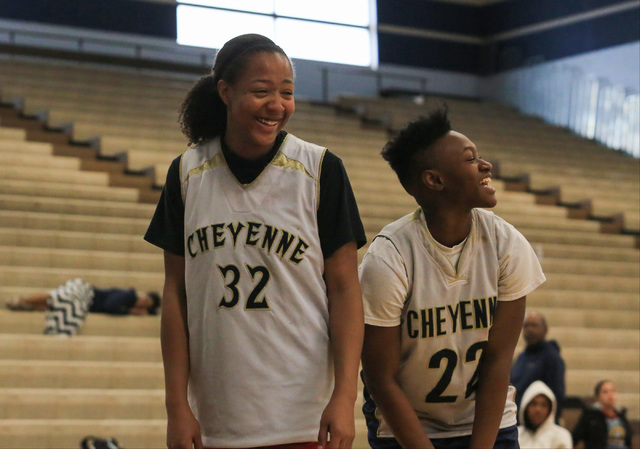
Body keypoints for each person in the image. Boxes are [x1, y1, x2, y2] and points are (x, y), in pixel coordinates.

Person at [144, 33, 366, 449]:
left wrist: (345, 396)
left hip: (303, 415)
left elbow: (345, 288)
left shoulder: (321, 169)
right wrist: (177, 406)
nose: (277, 105)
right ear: (225, 92)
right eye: (261, 91)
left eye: (287, 93)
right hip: (214, 418)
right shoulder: (187, 172)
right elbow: (175, 293)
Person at [359, 107, 546, 449]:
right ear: (435, 180)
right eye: (471, 159)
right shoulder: (389, 257)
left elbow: (497, 360)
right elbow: (380, 379)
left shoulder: (506, 243)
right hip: (405, 426)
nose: (486, 166)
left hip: (486, 422)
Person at [511, 310, 566, 422]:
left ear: (545, 329)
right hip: (519, 421)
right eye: (526, 326)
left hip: (541, 422)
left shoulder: (552, 358)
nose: (529, 329)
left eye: (534, 325)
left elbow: (557, 394)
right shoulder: (521, 357)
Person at [5, 282, 161, 316]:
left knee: (52, 305)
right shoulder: (129, 295)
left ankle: (25, 305)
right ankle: (22, 300)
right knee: (53, 296)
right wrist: (129, 310)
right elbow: (109, 305)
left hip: (86, 304)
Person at [572, 380, 633, 449]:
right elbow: (575, 438)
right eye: (605, 392)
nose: (610, 395)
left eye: (613, 391)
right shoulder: (590, 417)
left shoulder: (621, 415)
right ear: (597, 397)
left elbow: (628, 441)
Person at [518, 381, 572, 448]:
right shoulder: (515, 435)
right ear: (525, 406)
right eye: (533, 404)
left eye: (544, 405)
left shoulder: (561, 436)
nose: (538, 410)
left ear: (550, 409)